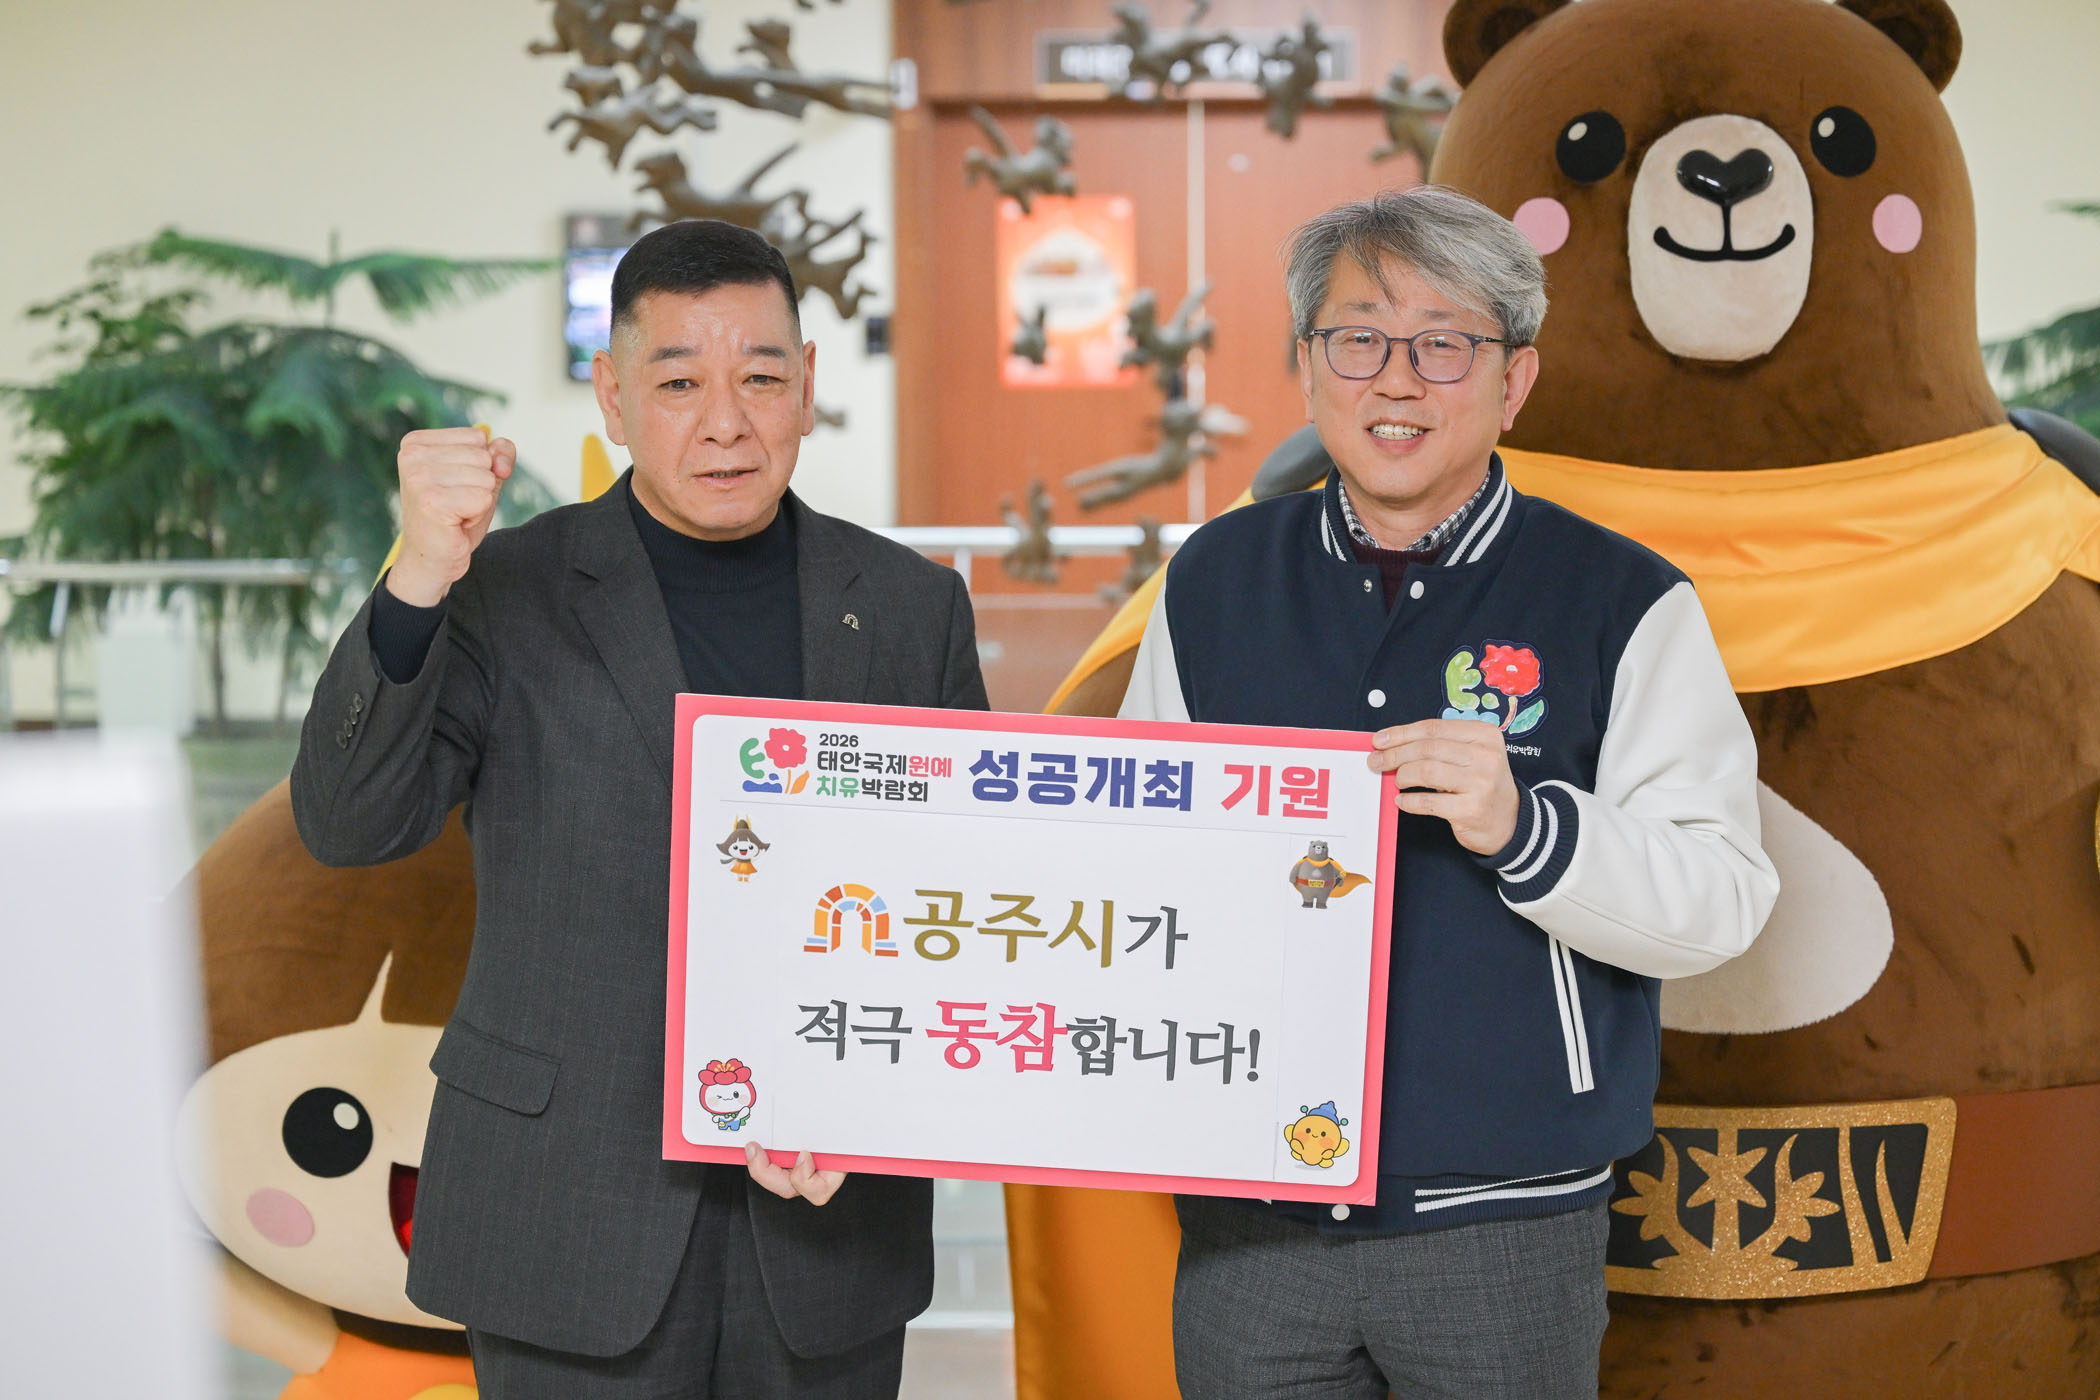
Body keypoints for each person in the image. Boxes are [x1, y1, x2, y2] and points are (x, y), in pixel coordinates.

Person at [290, 218, 987, 1398]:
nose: (726, 422)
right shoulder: (502, 587)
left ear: (809, 386)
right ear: (613, 398)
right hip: (566, 1201)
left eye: (760, 377)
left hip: (824, 1218)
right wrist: (416, 576)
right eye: (677, 382)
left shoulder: (911, 607)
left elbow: (959, 900)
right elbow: (350, 819)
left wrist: (877, 1100)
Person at [1119, 187, 1779, 1398]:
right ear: (1308, 365)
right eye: (1358, 339)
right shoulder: (1214, 578)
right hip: (1252, 1212)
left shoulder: (1623, 597)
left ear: (1514, 380)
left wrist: (1528, 826)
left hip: (1506, 1221)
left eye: (1443, 344)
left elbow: (1723, 895)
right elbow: (1134, 856)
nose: (1397, 380)